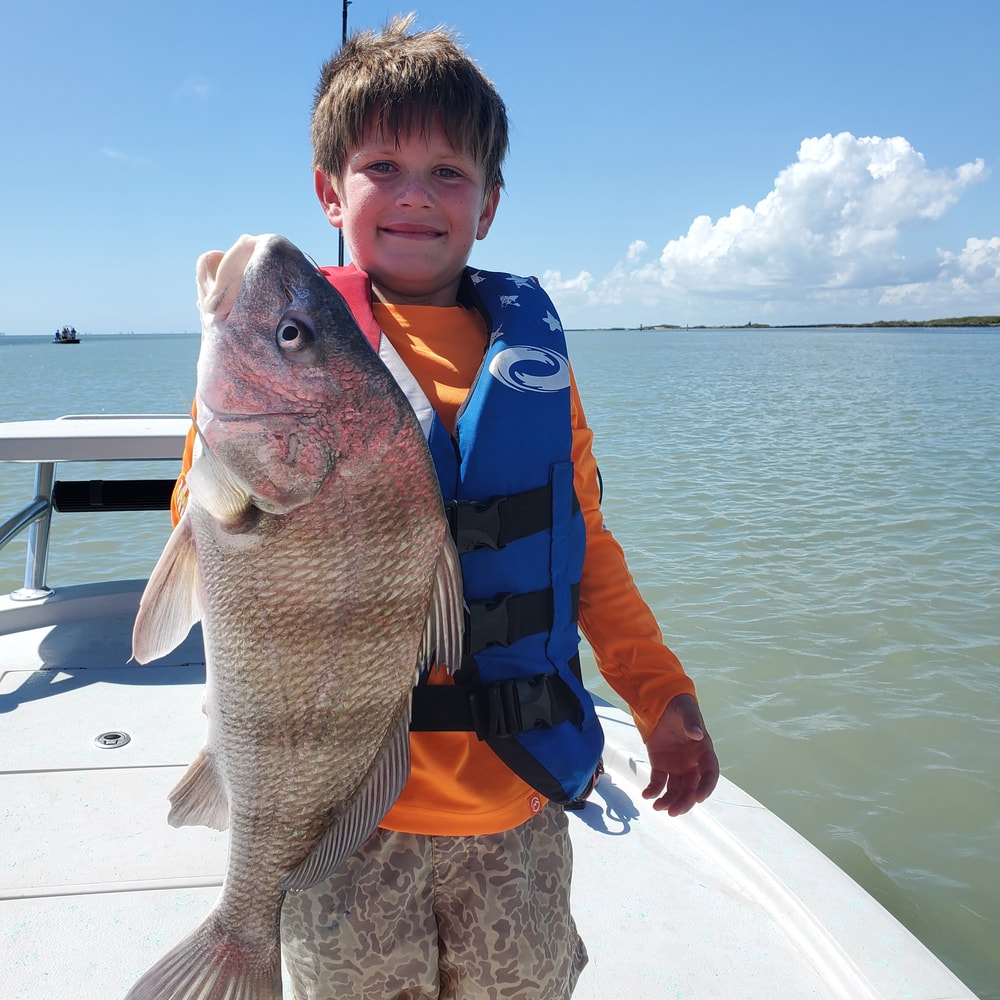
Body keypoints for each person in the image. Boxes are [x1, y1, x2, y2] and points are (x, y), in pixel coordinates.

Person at [173, 14, 718, 999]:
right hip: (341, 825)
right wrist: (232, 394)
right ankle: (240, 934)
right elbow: (214, 530)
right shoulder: (275, 374)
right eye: (381, 164)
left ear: (491, 203)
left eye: (450, 173)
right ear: (327, 190)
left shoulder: (534, 365)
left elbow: (582, 546)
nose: (416, 194)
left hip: (513, 810)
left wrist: (662, 696)